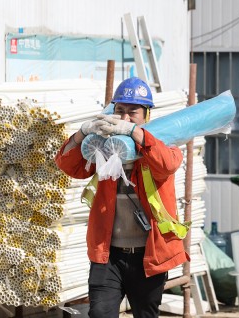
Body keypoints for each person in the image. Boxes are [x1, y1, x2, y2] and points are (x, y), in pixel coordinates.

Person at [55, 77, 190, 318]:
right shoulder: (104, 150)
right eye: (120, 111)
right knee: (100, 313)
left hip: (148, 256)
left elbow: (167, 165)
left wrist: (134, 134)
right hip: (109, 255)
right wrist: (82, 133)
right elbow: (68, 165)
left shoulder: (164, 144)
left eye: (133, 113)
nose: (125, 118)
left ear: (146, 116)